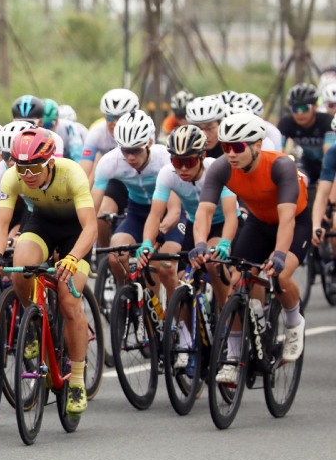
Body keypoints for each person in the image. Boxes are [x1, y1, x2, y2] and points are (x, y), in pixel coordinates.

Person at [0, 128, 97, 416]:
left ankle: (76, 379)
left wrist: (73, 258)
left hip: (76, 233)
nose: (28, 175)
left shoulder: (72, 174)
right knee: (20, 268)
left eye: (34, 168)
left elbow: (91, 227)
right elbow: (1, 225)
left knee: (69, 300)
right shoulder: (12, 177)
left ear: (50, 162)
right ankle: (33, 322)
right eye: (21, 167)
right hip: (42, 226)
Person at [193, 113, 309, 377]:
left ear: (257, 145)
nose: (231, 154)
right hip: (259, 223)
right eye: (226, 147)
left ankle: (294, 323)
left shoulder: (280, 166)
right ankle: (234, 356)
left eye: (237, 147)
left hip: (294, 221)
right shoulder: (222, 167)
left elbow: (287, 218)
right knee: (236, 282)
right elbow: (204, 212)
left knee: (280, 275)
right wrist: (200, 243)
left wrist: (279, 254)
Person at [137, 125, 238, 329]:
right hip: (195, 224)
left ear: (202, 156)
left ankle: (226, 318)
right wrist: (146, 242)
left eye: (189, 162)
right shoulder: (168, 174)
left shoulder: (216, 169)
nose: (183, 169)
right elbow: (155, 214)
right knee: (182, 281)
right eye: (177, 162)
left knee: (213, 263)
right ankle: (185, 336)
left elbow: (231, 215)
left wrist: (225, 243)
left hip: (222, 224)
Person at [90, 111, 170, 283]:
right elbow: (92, 207)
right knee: (115, 256)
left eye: (136, 150)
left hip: (166, 212)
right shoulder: (110, 161)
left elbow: (177, 207)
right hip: (137, 212)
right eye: (125, 151)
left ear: (149, 143)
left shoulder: (165, 159)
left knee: (159, 264)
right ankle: (128, 292)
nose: (131, 157)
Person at [278, 82, 333, 197]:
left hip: (328, 162)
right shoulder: (286, 123)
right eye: (295, 109)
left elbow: (328, 152)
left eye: (304, 108)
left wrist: (324, 178)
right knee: (297, 177)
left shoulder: (327, 121)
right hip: (307, 162)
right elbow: (277, 152)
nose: (299, 113)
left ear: (315, 107)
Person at [79, 88, 140, 178]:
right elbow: (83, 172)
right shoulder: (96, 133)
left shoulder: (143, 131)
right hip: (110, 176)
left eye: (120, 117)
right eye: (110, 117)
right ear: (104, 116)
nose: (115, 122)